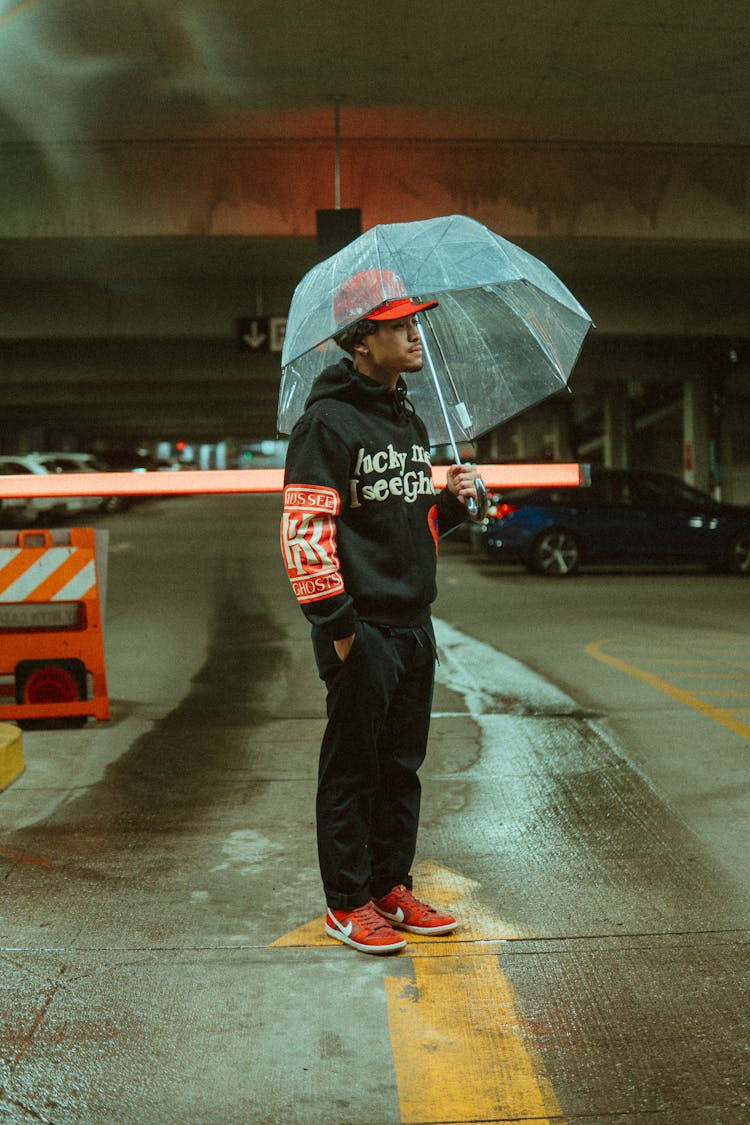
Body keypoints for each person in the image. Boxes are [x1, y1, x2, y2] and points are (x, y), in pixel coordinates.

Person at [280, 271, 478, 955]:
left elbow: (406, 524)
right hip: (362, 627)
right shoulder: (326, 423)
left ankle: (390, 885)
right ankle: (346, 902)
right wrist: (339, 629)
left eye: (414, 321)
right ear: (362, 342)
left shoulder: (410, 418)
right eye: (398, 325)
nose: (414, 333)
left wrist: (450, 502)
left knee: (401, 766)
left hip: (414, 623)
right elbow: (305, 537)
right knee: (353, 769)